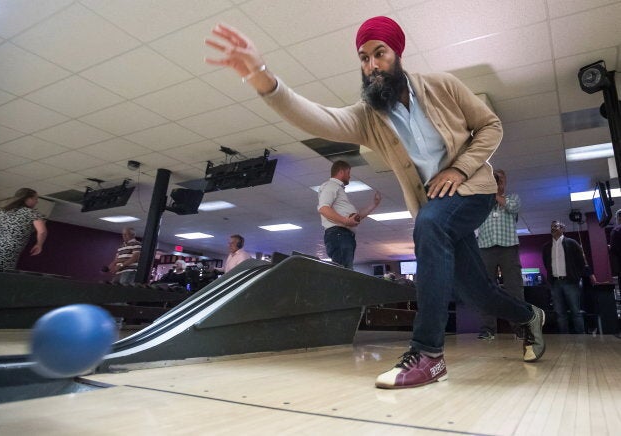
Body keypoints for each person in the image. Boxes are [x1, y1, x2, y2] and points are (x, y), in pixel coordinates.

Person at [205, 16, 546, 389]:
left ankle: (429, 354)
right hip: (437, 204)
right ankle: (529, 316)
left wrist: (461, 169)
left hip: (472, 189)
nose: (371, 65)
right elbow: (318, 118)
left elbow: (491, 125)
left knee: (429, 224)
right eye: (363, 58)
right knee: (475, 292)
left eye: (378, 54)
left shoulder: (442, 86)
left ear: (397, 53)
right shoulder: (369, 116)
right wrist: (263, 78)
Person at [475, 170, 525, 340]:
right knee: (485, 289)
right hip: (485, 248)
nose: (496, 181)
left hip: (508, 248)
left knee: (514, 288)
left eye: (499, 178)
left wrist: (495, 192)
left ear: (505, 182)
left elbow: (513, 207)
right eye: (493, 178)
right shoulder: (482, 202)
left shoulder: (513, 198)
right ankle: (488, 329)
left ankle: (520, 328)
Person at [318, 160, 381, 269]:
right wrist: (346, 221)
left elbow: (357, 217)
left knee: (345, 270)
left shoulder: (338, 190)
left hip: (343, 235)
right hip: (339, 234)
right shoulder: (331, 185)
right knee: (343, 273)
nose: (349, 176)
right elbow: (323, 208)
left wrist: (374, 204)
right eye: (348, 172)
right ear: (341, 172)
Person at [542, 220, 586, 334]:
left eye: (556, 226)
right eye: (552, 227)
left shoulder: (572, 243)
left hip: (570, 282)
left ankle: (582, 338)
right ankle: (564, 339)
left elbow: (581, 262)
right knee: (560, 313)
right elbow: (546, 264)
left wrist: (577, 277)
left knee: (576, 311)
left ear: (563, 229)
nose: (553, 228)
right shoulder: (546, 247)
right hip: (555, 283)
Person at [0, 188, 48, 273]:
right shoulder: (31, 213)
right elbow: (42, 231)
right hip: (9, 248)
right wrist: (39, 244)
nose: (37, 202)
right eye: (36, 199)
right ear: (28, 199)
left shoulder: (1, 210)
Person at [608, 209, 621, 277]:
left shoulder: (616, 230)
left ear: (619, 217)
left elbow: (613, 250)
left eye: (616, 217)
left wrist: (610, 246)